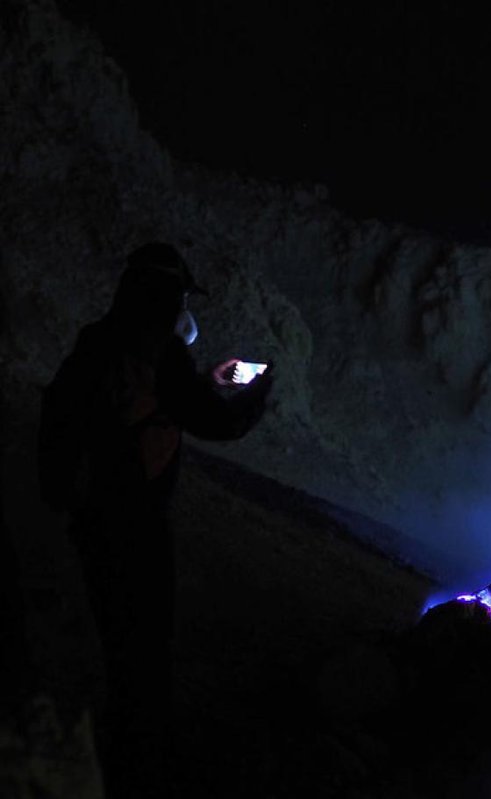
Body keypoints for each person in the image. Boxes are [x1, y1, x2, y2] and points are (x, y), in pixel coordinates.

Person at [37, 242, 275, 797]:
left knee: (118, 634)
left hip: (91, 513)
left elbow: (145, 402)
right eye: (180, 297)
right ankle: (136, 766)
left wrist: (206, 378)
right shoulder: (161, 352)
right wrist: (256, 396)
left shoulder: (100, 340)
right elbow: (215, 423)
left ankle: (122, 747)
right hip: (135, 522)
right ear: (167, 297)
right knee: (145, 646)